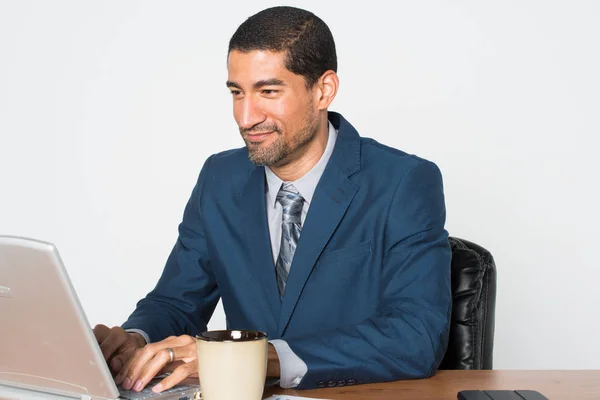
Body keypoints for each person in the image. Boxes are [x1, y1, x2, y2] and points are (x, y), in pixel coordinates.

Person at [94, 5, 452, 393]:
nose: (246, 118)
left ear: (323, 90)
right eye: (236, 93)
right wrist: (136, 338)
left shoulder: (402, 182)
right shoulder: (219, 179)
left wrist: (254, 357)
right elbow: (176, 302)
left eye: (268, 91)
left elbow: (416, 336)